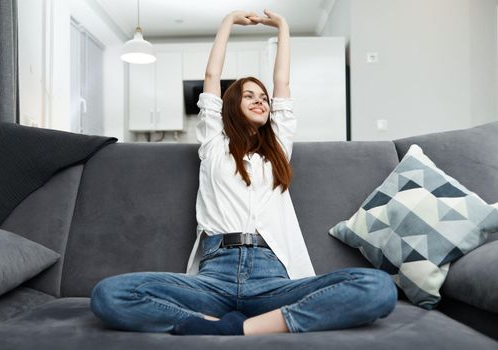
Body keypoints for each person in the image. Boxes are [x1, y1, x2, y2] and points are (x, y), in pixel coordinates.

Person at [90, 9, 397, 336]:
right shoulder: (213, 145)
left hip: (273, 279)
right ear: (230, 104)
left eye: (264, 97)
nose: (260, 100)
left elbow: (283, 82)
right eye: (249, 95)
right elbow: (211, 76)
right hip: (213, 278)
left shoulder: (278, 149)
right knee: (109, 295)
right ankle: (214, 324)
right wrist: (229, 22)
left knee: (377, 287)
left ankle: (245, 328)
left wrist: (282, 25)